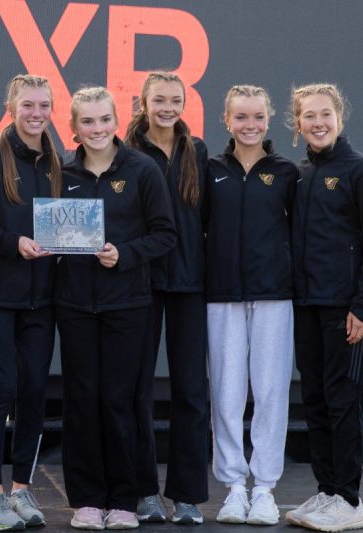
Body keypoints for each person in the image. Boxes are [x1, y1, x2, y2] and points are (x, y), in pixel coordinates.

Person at [57, 86, 177, 530]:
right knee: (82, 401)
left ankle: (125, 500)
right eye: (87, 121)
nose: (97, 129)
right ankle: (87, 500)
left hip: (129, 305)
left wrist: (123, 254)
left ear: (117, 120)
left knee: (120, 402)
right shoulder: (62, 173)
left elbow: (166, 234)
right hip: (74, 305)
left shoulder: (142, 170)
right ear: (74, 127)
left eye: (104, 119)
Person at [285, 83, 363, 532]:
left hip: (344, 310)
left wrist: (362, 308)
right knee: (317, 400)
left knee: (344, 402)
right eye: (309, 115)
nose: (318, 122)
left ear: (339, 117)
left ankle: (349, 499)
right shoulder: (301, 172)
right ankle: (327, 492)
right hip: (306, 306)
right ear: (297, 122)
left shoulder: (359, 169)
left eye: (325, 114)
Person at [0, 74, 62, 531]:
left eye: (43, 105)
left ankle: (22, 488)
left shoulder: (54, 162)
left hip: (41, 301)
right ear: (11, 106)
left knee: (32, 393)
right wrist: (15, 243)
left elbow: (65, 225)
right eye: (28, 105)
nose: (36, 113)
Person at [203, 85, 297, 525]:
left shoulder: (285, 172)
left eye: (257, 116)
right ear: (226, 120)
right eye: (241, 117)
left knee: (271, 393)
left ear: (268, 118)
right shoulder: (211, 170)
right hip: (221, 297)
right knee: (226, 393)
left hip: (274, 296)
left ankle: (264, 490)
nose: (250, 125)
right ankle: (233, 488)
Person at [124, 71, 210, 525]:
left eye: (175, 99)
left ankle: (187, 496)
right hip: (139, 285)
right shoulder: (127, 151)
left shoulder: (196, 150)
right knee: (137, 391)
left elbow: (206, 221)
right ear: (143, 102)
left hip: (190, 287)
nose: (167, 107)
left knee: (191, 393)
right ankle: (144, 493)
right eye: (159, 99)